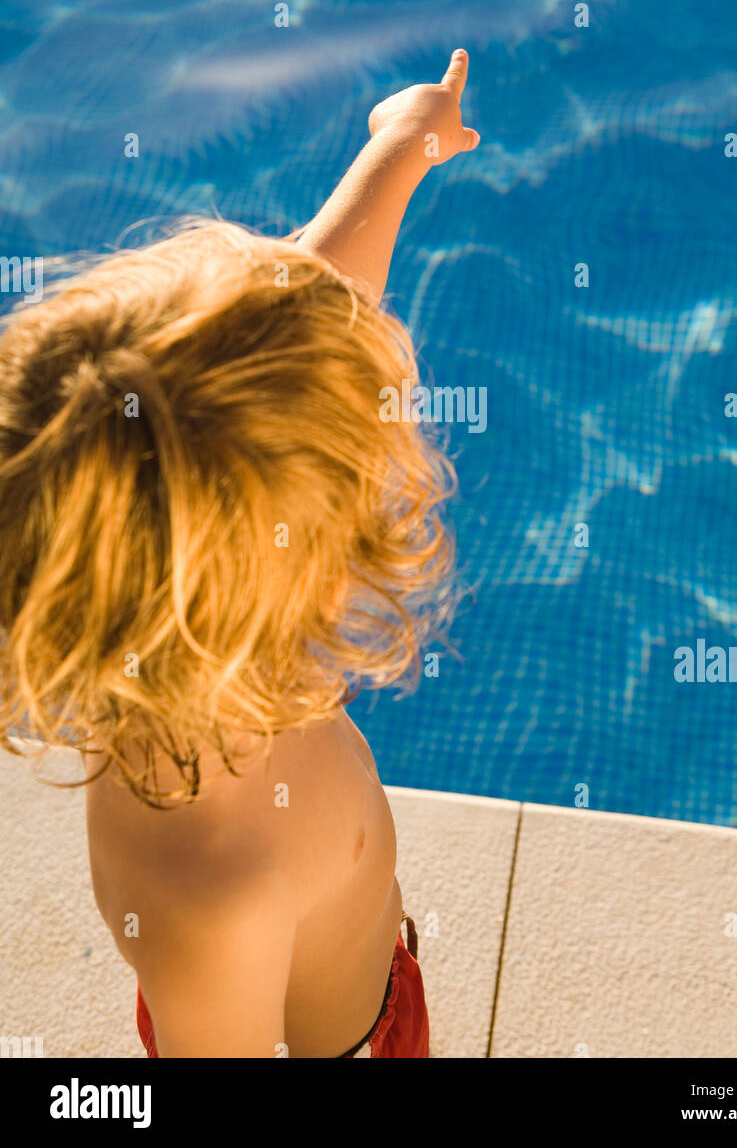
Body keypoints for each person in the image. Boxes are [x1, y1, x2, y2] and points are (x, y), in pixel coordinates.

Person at [0, 51, 481, 1058]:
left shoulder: (194, 636)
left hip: (345, 961)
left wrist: (401, 149)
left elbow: (320, 303)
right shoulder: (210, 893)